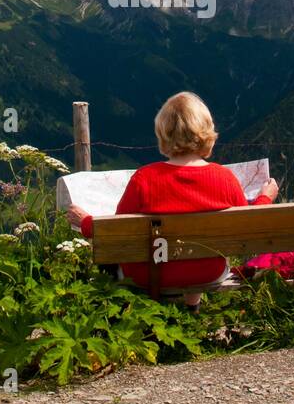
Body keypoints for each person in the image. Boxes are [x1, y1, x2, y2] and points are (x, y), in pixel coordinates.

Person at [65, 91, 278, 307]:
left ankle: (131, 316)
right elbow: (248, 225)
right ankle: (191, 307)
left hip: (149, 274)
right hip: (208, 273)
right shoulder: (225, 178)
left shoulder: (144, 179)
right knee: (198, 251)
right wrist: (265, 197)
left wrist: (84, 221)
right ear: (206, 132)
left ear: (164, 134)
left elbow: (117, 233)